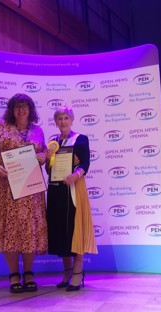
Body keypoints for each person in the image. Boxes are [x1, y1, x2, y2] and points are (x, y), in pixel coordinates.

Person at [0, 93, 47, 293]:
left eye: (25, 106)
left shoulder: (38, 131)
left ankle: (28, 273)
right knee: (10, 229)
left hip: (30, 189)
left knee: (29, 229)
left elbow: (44, 153)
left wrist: (43, 157)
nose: (21, 110)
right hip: (6, 187)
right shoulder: (1, 127)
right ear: (12, 110)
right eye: (17, 106)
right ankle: (13, 274)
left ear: (30, 110)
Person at [45, 106, 98, 291]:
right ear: (55, 121)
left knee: (75, 227)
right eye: (59, 118)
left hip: (74, 187)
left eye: (66, 117)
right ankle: (66, 271)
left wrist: (75, 175)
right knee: (60, 229)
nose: (63, 121)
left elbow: (86, 163)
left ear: (72, 119)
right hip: (56, 190)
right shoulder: (53, 141)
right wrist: (48, 159)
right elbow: (49, 170)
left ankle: (78, 270)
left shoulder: (80, 139)